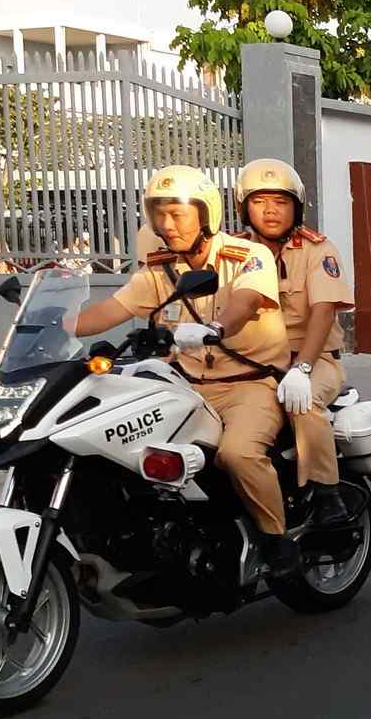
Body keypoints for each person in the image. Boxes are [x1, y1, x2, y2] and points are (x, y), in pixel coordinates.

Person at [70, 165, 299, 573]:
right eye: (159, 214)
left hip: (248, 384)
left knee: (238, 455)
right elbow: (110, 310)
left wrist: (215, 328)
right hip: (186, 385)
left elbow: (245, 302)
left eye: (177, 214)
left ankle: (275, 539)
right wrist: (51, 326)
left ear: (205, 214)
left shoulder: (248, 255)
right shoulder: (160, 269)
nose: (167, 224)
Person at [237, 157, 355, 526]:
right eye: (259, 202)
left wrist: (302, 368)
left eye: (281, 202)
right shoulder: (233, 251)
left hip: (314, 359)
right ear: (244, 207)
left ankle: (327, 493)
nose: (270, 211)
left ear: (297, 207)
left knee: (301, 403)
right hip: (252, 360)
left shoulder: (318, 249)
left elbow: (323, 312)